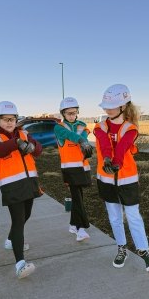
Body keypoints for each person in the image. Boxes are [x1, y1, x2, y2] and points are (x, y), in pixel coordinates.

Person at [93, 84, 149, 271]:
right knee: (115, 218)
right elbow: (104, 143)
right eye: (106, 105)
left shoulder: (130, 128)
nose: (107, 109)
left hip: (127, 180)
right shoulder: (99, 126)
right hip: (106, 179)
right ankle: (122, 248)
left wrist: (116, 161)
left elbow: (123, 146)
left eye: (112, 105)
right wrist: (108, 159)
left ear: (123, 106)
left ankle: (144, 253)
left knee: (133, 216)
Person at [0, 101, 42, 279]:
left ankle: (11, 241)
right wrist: (16, 142)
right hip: (11, 186)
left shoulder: (24, 133)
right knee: (18, 221)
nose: (9, 122)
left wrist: (31, 147)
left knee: (26, 215)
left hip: (29, 182)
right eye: (5, 119)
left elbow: (38, 149)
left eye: (12, 119)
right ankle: (20, 264)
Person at [54, 97, 93, 242]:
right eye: (69, 113)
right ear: (63, 113)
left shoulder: (82, 124)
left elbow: (83, 135)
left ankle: (72, 225)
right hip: (69, 169)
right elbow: (70, 136)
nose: (72, 115)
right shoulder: (59, 127)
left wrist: (86, 143)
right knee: (77, 198)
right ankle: (80, 229)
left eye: (74, 112)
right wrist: (81, 141)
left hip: (82, 167)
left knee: (79, 197)